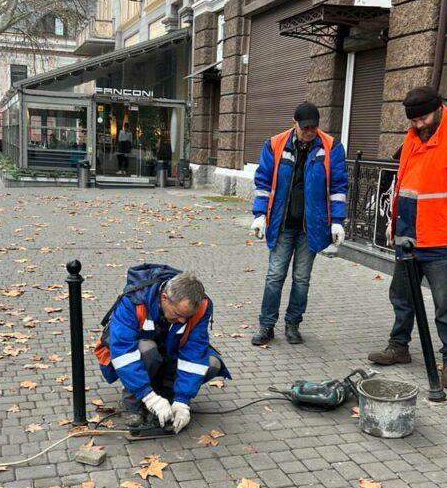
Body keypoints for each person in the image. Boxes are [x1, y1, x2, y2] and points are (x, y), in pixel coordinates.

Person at [368, 86, 447, 389]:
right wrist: (394, 220)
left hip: (443, 239)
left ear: (438, 109)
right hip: (409, 235)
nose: (418, 124)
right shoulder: (413, 136)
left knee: (445, 304)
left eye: (422, 119)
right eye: (413, 120)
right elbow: (404, 184)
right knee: (401, 296)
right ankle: (398, 346)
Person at [250, 101, 348, 346]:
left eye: (314, 127)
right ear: (294, 123)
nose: (309, 132)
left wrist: (337, 221)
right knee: (275, 276)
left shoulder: (332, 147)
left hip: (310, 227)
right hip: (282, 224)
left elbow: (338, 187)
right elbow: (263, 183)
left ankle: (293, 324)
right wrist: (259, 215)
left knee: (302, 279)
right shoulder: (274, 144)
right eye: (305, 128)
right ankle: (266, 325)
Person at [94, 265, 230, 436]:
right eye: (178, 314)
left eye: (187, 317)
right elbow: (123, 352)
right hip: (135, 356)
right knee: (147, 349)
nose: (182, 321)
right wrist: (148, 396)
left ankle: (168, 396)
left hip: (169, 353)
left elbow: (194, 353)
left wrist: (182, 400)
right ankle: (133, 405)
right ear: (164, 298)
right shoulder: (134, 300)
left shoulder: (201, 306)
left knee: (212, 363)